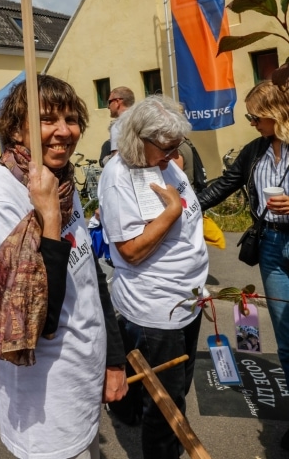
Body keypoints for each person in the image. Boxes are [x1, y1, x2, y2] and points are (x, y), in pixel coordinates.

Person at [0, 75, 128, 459]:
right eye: (47, 119)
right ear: (17, 129)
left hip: (83, 379)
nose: (63, 131)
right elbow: (34, 319)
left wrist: (114, 360)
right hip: (44, 397)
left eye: (71, 119)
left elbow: (92, 281)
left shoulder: (63, 185)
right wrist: (49, 220)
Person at [99, 95, 209, 459]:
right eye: (165, 147)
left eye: (177, 146)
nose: (173, 154)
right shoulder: (119, 177)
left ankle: (134, 413)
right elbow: (129, 250)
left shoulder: (164, 162)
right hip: (158, 307)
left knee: (176, 388)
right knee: (166, 403)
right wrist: (173, 211)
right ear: (138, 139)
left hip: (186, 298)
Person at [197, 80, 289, 451]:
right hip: (270, 245)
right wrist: (185, 208)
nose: (251, 123)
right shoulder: (256, 151)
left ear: (275, 113)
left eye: (255, 116)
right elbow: (224, 185)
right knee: (285, 337)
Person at [106, 86, 135, 161]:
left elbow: (117, 159)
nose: (108, 107)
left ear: (118, 102)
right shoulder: (143, 119)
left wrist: (107, 160)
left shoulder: (118, 125)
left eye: (109, 102)